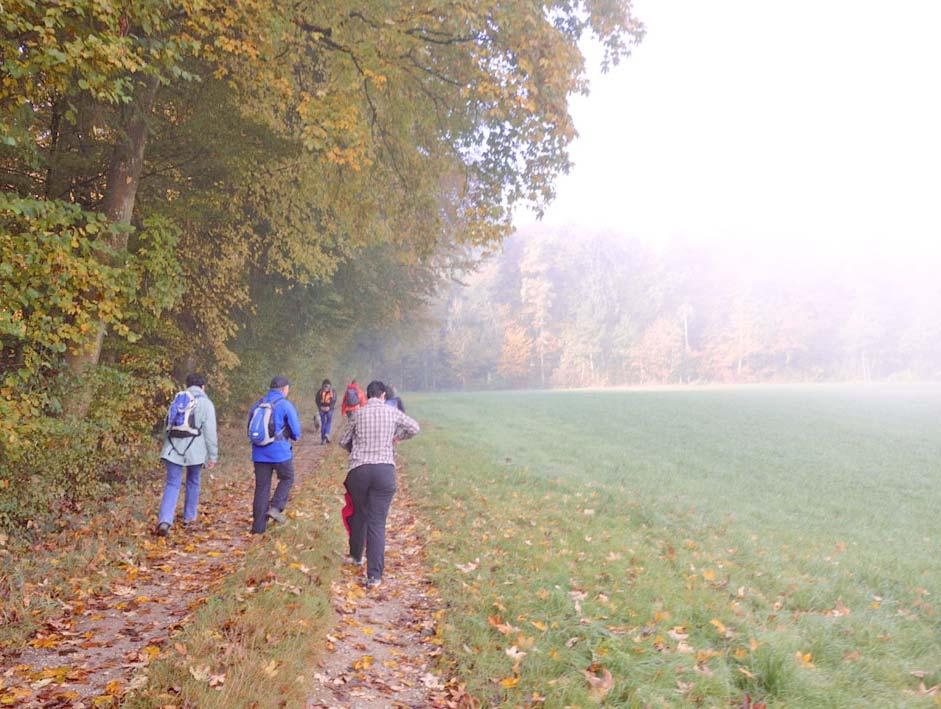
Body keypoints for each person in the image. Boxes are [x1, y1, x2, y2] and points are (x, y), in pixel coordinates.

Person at [339, 380, 420, 588]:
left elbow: (342, 441)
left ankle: (356, 555)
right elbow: (414, 428)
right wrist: (395, 437)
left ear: (367, 395)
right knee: (376, 522)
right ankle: (374, 575)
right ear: (383, 395)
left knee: (359, 512)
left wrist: (356, 448)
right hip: (384, 471)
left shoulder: (358, 413)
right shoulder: (392, 412)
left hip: (359, 470)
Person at [156, 373, 218, 537]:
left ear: (187, 385)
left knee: (172, 484)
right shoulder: (206, 403)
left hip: (172, 449)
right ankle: (189, 519)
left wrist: (166, 445)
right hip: (195, 451)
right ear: (203, 386)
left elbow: (167, 425)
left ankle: (164, 521)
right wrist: (213, 456)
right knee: (193, 481)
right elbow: (210, 433)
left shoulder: (178, 399)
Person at [248, 375, 302, 534]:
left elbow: (249, 429)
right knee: (287, 477)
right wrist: (291, 436)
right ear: (284, 389)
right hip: (280, 453)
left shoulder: (258, 404)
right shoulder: (285, 405)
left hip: (259, 453)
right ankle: (276, 507)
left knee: (262, 487)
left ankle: (258, 528)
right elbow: (296, 432)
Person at [316, 379, 336, 444]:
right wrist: (330, 407)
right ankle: (327, 434)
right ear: (330, 384)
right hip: (329, 409)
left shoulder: (320, 391)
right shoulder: (332, 391)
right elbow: (334, 400)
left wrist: (320, 407)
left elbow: (317, 400)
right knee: (329, 422)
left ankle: (322, 439)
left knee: (323, 423)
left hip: (321, 409)